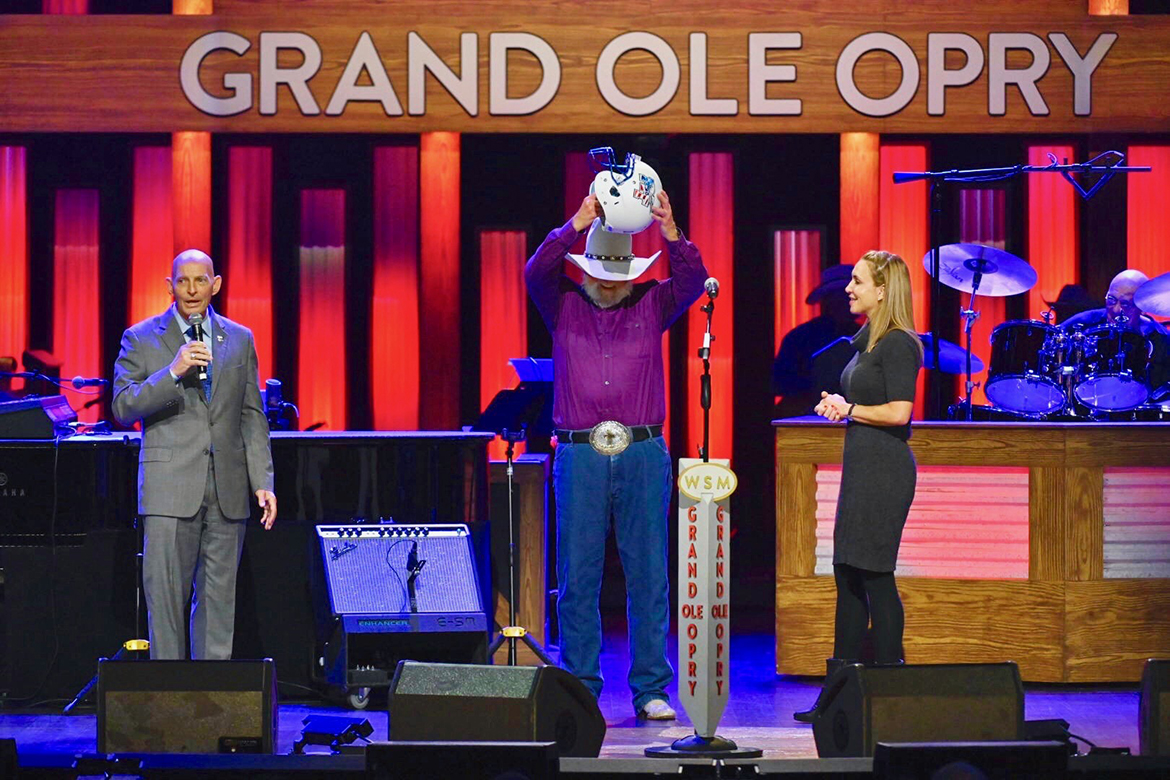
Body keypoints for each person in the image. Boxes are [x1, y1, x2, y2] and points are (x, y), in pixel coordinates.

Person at [525, 191, 707, 720]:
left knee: (648, 574)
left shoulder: (653, 303)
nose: (609, 282)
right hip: (580, 454)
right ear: (584, 270)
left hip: (643, 451)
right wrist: (578, 222)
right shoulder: (561, 303)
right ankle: (581, 686)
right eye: (601, 271)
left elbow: (693, 281)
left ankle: (650, 688)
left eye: (618, 272)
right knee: (577, 577)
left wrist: (670, 230)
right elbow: (537, 269)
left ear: (632, 271)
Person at [113, 249, 276, 660]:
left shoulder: (239, 338)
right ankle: (170, 703)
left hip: (228, 489)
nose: (191, 290)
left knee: (219, 602)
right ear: (170, 286)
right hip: (170, 491)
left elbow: (251, 415)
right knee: (166, 602)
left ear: (215, 284)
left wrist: (263, 482)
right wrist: (172, 372)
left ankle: (211, 702)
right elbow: (121, 406)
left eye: (200, 280)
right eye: (182, 281)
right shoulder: (141, 337)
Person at [793, 250, 923, 723]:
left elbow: (899, 413)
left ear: (884, 289)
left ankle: (889, 688)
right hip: (862, 466)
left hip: (886, 471)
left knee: (874, 574)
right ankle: (837, 694)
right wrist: (839, 404)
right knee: (847, 573)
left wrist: (850, 409)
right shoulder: (867, 339)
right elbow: (865, 403)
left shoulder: (898, 344)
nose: (848, 288)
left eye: (857, 281)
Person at [773, 264, 860, 418]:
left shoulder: (868, 336)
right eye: (843, 296)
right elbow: (779, 383)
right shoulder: (801, 337)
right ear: (828, 300)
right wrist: (819, 386)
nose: (849, 302)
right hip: (807, 419)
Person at [1061, 270, 1170, 393]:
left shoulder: (1163, 341)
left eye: (1126, 304)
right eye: (1111, 300)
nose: (1117, 310)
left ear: (1143, 307)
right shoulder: (1084, 323)